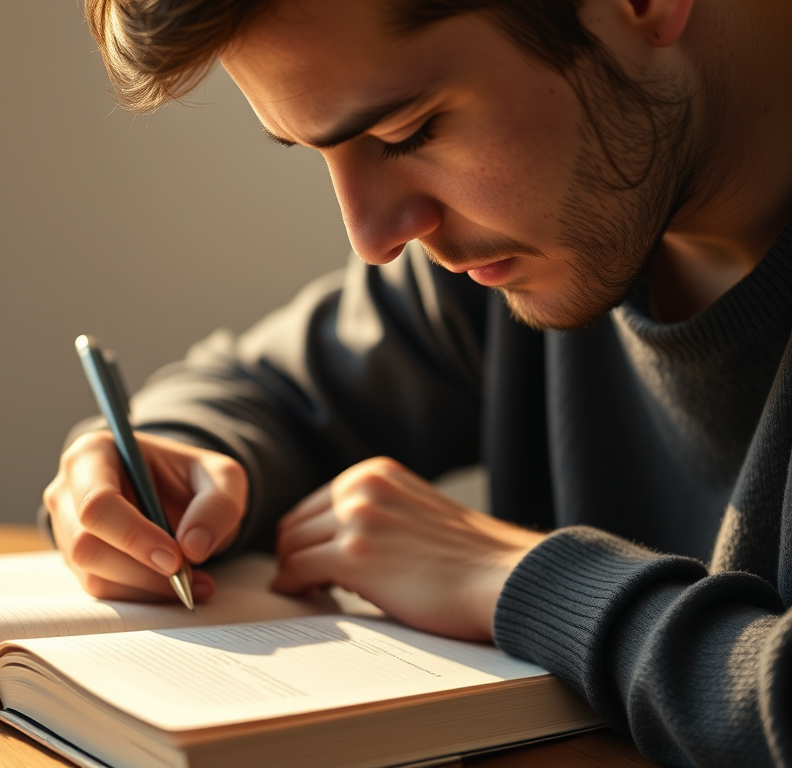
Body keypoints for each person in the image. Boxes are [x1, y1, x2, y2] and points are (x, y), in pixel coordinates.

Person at [41, 1, 792, 765]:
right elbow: (265, 389)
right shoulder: (530, 243)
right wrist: (167, 461)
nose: (372, 240)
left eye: (409, 133)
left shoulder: (560, 216)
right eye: (311, 151)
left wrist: (522, 579)